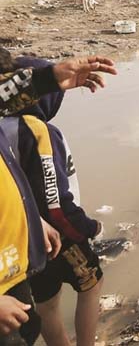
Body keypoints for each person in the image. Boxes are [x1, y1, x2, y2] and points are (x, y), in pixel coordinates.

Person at [0, 55, 117, 345]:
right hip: (60, 235)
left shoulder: (4, 128)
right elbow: (54, 198)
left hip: (29, 239)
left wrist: (48, 77)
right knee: (92, 284)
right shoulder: (40, 131)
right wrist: (87, 229)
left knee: (46, 303)